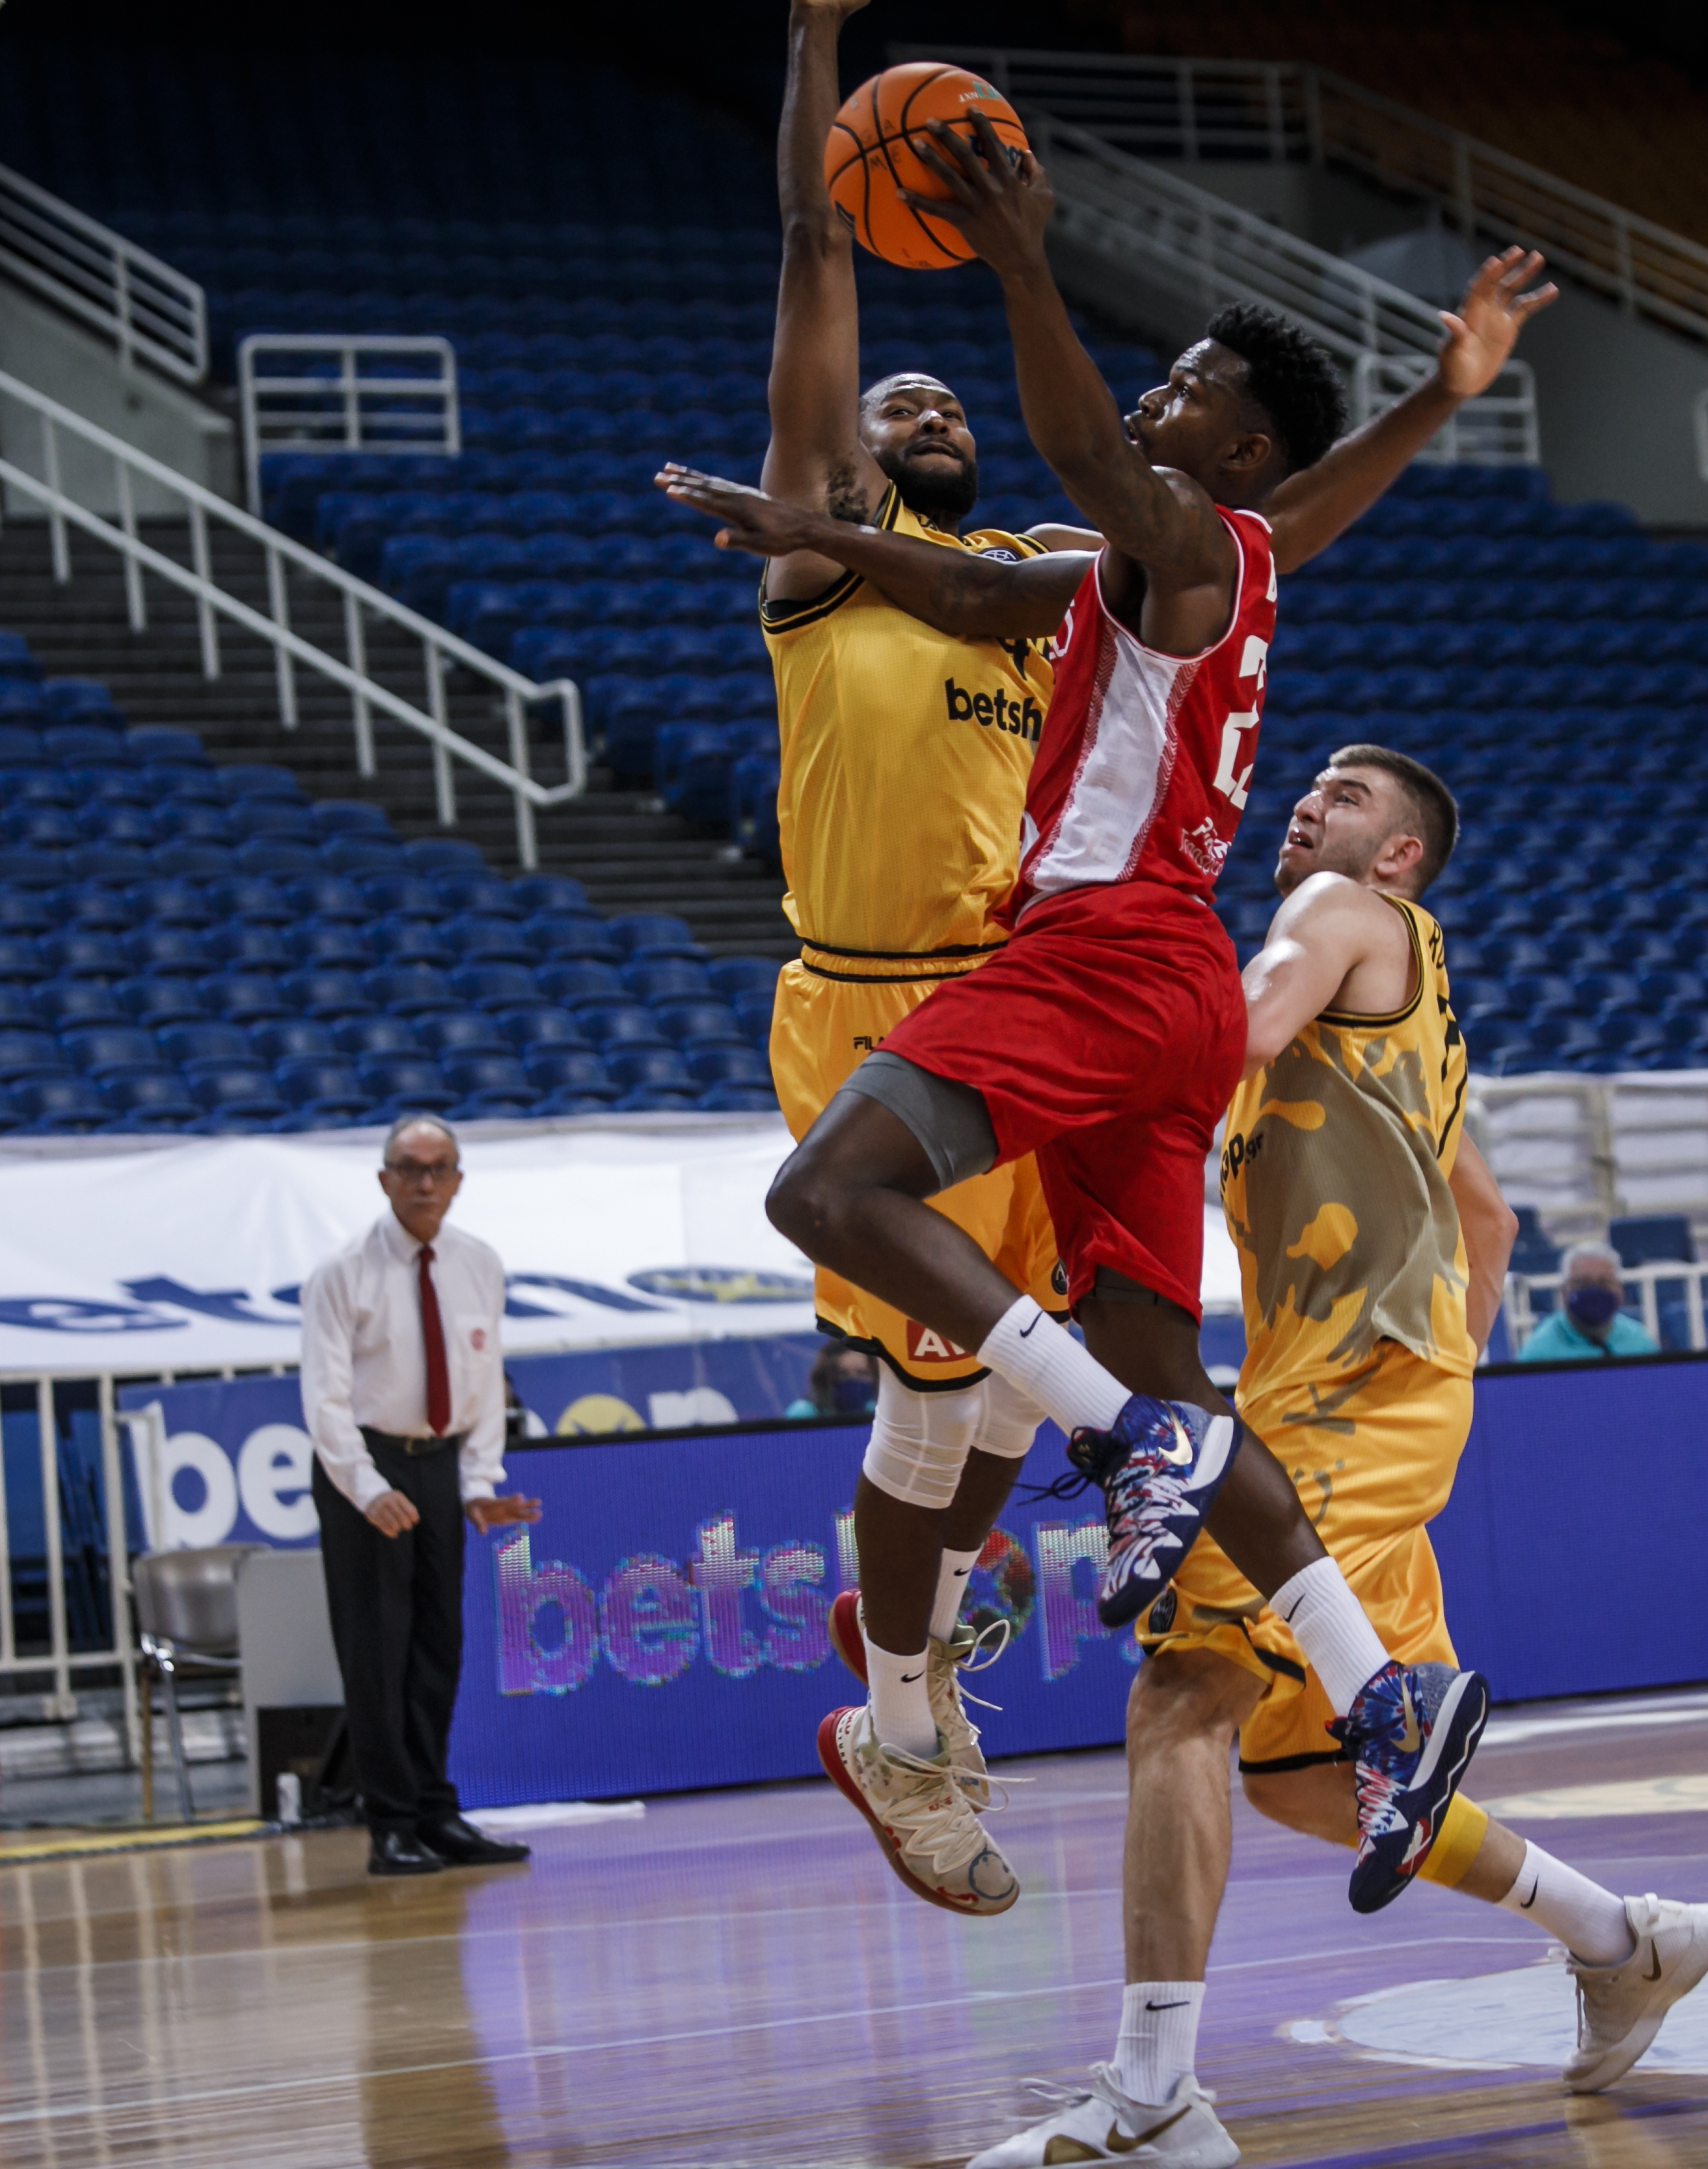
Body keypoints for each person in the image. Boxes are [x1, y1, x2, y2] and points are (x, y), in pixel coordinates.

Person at [664, 113, 1557, 1916]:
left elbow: (1078, 444)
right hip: (1155, 996)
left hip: (1090, 959)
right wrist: (1443, 394)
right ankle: (1386, 1689)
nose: (1154, 397)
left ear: (1221, 443)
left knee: (831, 1203)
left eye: (1190, 385)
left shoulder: (1161, 518)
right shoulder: (1212, 553)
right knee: (1171, 1374)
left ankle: (1062, 1508)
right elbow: (1005, 581)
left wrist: (1017, 258)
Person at [972, 752, 1708, 2166]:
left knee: (1180, 1691)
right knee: (1306, 1772)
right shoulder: (1404, 1028)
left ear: (1399, 861)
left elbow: (1236, 1023)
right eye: (1309, 787)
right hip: (1359, 1396)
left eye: (1349, 792)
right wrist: (1441, 1369)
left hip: (1348, 1400)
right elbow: (1487, 1222)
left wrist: (1036, 1023)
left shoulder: (1332, 917)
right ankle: (1621, 1937)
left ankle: (1149, 2097)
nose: (1310, 805)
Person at [751, 1, 1083, 1912]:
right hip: (876, 1009)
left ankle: (923, 1655)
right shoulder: (822, 561)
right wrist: (816, 51)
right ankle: (894, 1721)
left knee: (1022, 1394)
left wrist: (1018, 227)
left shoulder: (1024, 591)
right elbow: (813, 262)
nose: (923, 411)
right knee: (938, 1393)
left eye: (940, 405)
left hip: (1022, 1010)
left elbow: (1115, 516)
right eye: (898, 407)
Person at [301, 1113, 541, 1877]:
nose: (425, 1183)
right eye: (410, 1169)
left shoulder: (478, 1263)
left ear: (459, 1180)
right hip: (364, 1469)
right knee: (379, 1653)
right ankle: (391, 1824)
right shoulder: (342, 1272)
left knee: (440, 1648)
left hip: (438, 1466)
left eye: (439, 1169)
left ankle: (437, 1812)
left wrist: (476, 1484)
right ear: (384, 1179)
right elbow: (325, 1399)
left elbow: (480, 1383)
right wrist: (365, 1487)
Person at [1513, 1242, 1662, 1362]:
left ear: (1620, 1290)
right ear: (1563, 1292)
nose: (1594, 1291)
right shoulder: (1538, 1354)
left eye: (1604, 1283)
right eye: (1582, 1284)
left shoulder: (1640, 1343)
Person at [785, 1338, 878, 1419]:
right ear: (826, 1377)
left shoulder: (881, 1414)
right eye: (843, 1374)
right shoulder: (803, 1413)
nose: (853, 1380)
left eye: (862, 1373)